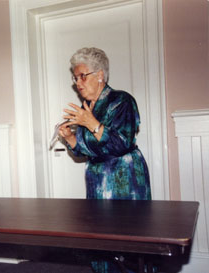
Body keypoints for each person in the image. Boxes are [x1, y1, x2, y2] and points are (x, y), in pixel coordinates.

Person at [58, 47, 151, 273]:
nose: (77, 83)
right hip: (98, 180)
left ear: (100, 75)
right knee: (100, 241)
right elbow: (84, 151)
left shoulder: (122, 101)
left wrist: (91, 123)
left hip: (125, 178)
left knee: (128, 242)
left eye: (82, 76)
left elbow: (121, 144)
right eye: (75, 77)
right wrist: (70, 137)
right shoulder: (86, 108)